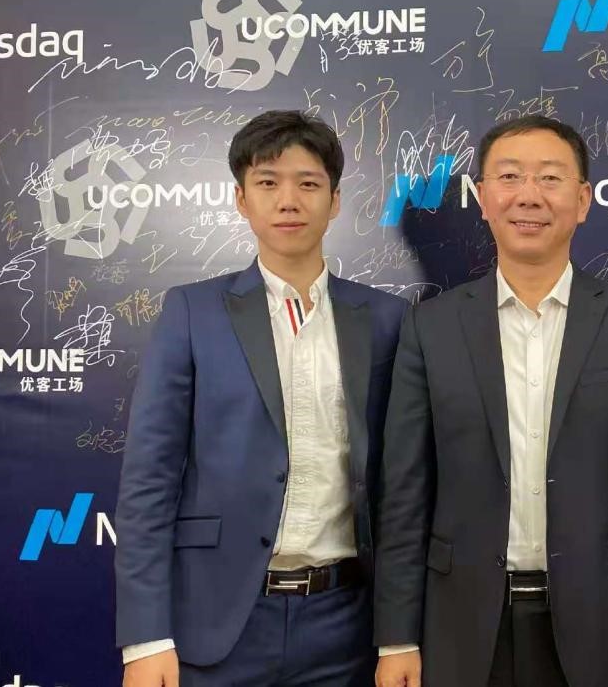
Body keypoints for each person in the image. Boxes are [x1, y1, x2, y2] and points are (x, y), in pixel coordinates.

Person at [373, 115, 608, 687]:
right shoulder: (431, 327)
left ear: (583, 200)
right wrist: (397, 637)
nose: (529, 195)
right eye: (510, 176)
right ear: (483, 198)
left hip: (602, 621)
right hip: (463, 623)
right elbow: (405, 494)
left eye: (549, 177)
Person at [115, 110, 408, 686]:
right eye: (268, 182)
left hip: (346, 624)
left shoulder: (386, 319)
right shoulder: (193, 311)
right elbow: (149, 481)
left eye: (308, 183)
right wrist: (145, 637)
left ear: (335, 201)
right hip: (218, 620)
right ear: (241, 199)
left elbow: (401, 488)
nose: (288, 201)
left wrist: (399, 634)